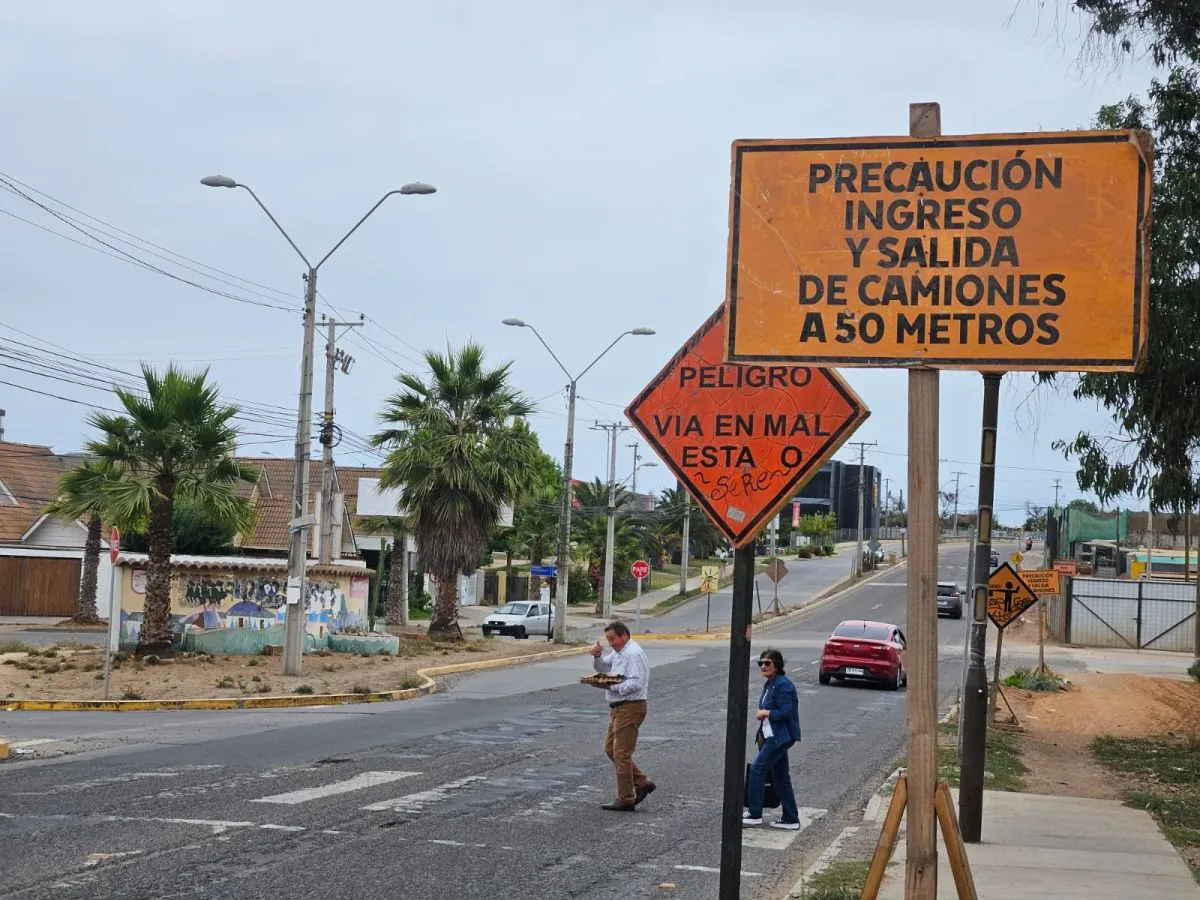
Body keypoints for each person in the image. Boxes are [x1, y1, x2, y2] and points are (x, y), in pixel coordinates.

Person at [589, 621, 655, 811]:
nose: (612, 643)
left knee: (621, 753)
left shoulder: (633, 653)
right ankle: (642, 781)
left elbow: (636, 683)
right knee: (610, 749)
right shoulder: (620, 652)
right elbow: (603, 667)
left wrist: (611, 685)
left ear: (624, 635)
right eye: (609, 640)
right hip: (619, 707)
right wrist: (597, 657)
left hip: (631, 707)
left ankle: (626, 798)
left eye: (614, 639)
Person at [743, 648, 801, 829]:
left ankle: (755, 813)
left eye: (767, 663)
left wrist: (767, 712)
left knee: (758, 769)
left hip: (781, 736)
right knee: (781, 777)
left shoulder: (783, 684)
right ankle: (791, 818)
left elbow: (787, 712)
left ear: (777, 665)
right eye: (760, 663)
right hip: (773, 736)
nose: (763, 666)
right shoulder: (770, 684)